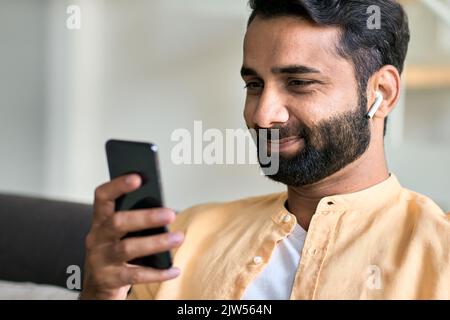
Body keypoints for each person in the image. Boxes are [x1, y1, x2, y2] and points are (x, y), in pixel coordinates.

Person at [80, 0, 450, 300]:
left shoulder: (441, 256)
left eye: (300, 83)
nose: (262, 114)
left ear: (381, 93)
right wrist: (99, 293)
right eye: (254, 85)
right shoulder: (186, 234)